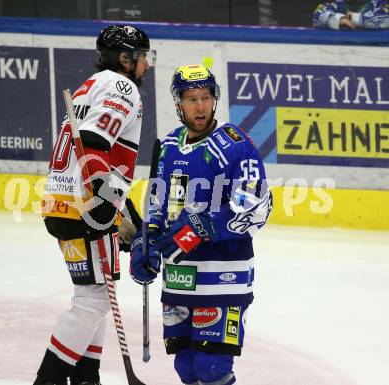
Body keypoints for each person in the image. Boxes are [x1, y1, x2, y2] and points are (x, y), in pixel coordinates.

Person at [130, 64, 272, 385]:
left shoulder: (235, 144)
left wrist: (204, 225)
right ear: (179, 103)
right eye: (191, 98)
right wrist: (145, 242)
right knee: (187, 367)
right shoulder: (167, 146)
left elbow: (258, 206)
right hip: (179, 276)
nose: (199, 105)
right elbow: (156, 201)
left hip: (224, 275)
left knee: (212, 368)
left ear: (214, 99)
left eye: (205, 97)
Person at [35, 25, 155, 385]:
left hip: (62, 203)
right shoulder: (122, 87)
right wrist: (104, 200)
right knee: (95, 300)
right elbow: (92, 140)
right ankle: (49, 379)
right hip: (85, 206)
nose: (145, 65)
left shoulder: (92, 85)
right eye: (142, 57)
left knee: (93, 293)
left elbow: (90, 151)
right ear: (125, 59)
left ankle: (87, 378)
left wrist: (122, 209)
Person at [313, 0, 389, 29]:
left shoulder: (382, 3)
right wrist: (340, 19)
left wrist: (353, 17)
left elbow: (385, 20)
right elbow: (317, 15)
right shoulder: (337, 3)